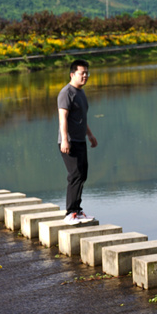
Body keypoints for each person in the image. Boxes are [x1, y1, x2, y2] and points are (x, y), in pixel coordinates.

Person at [58, 59, 98, 224]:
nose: (85, 76)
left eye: (87, 73)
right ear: (72, 74)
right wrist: (65, 140)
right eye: (82, 73)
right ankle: (70, 212)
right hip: (69, 141)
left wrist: (90, 135)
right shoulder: (66, 92)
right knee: (74, 175)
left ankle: (77, 210)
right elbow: (63, 118)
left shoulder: (80, 93)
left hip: (80, 140)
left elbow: (81, 119)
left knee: (82, 174)